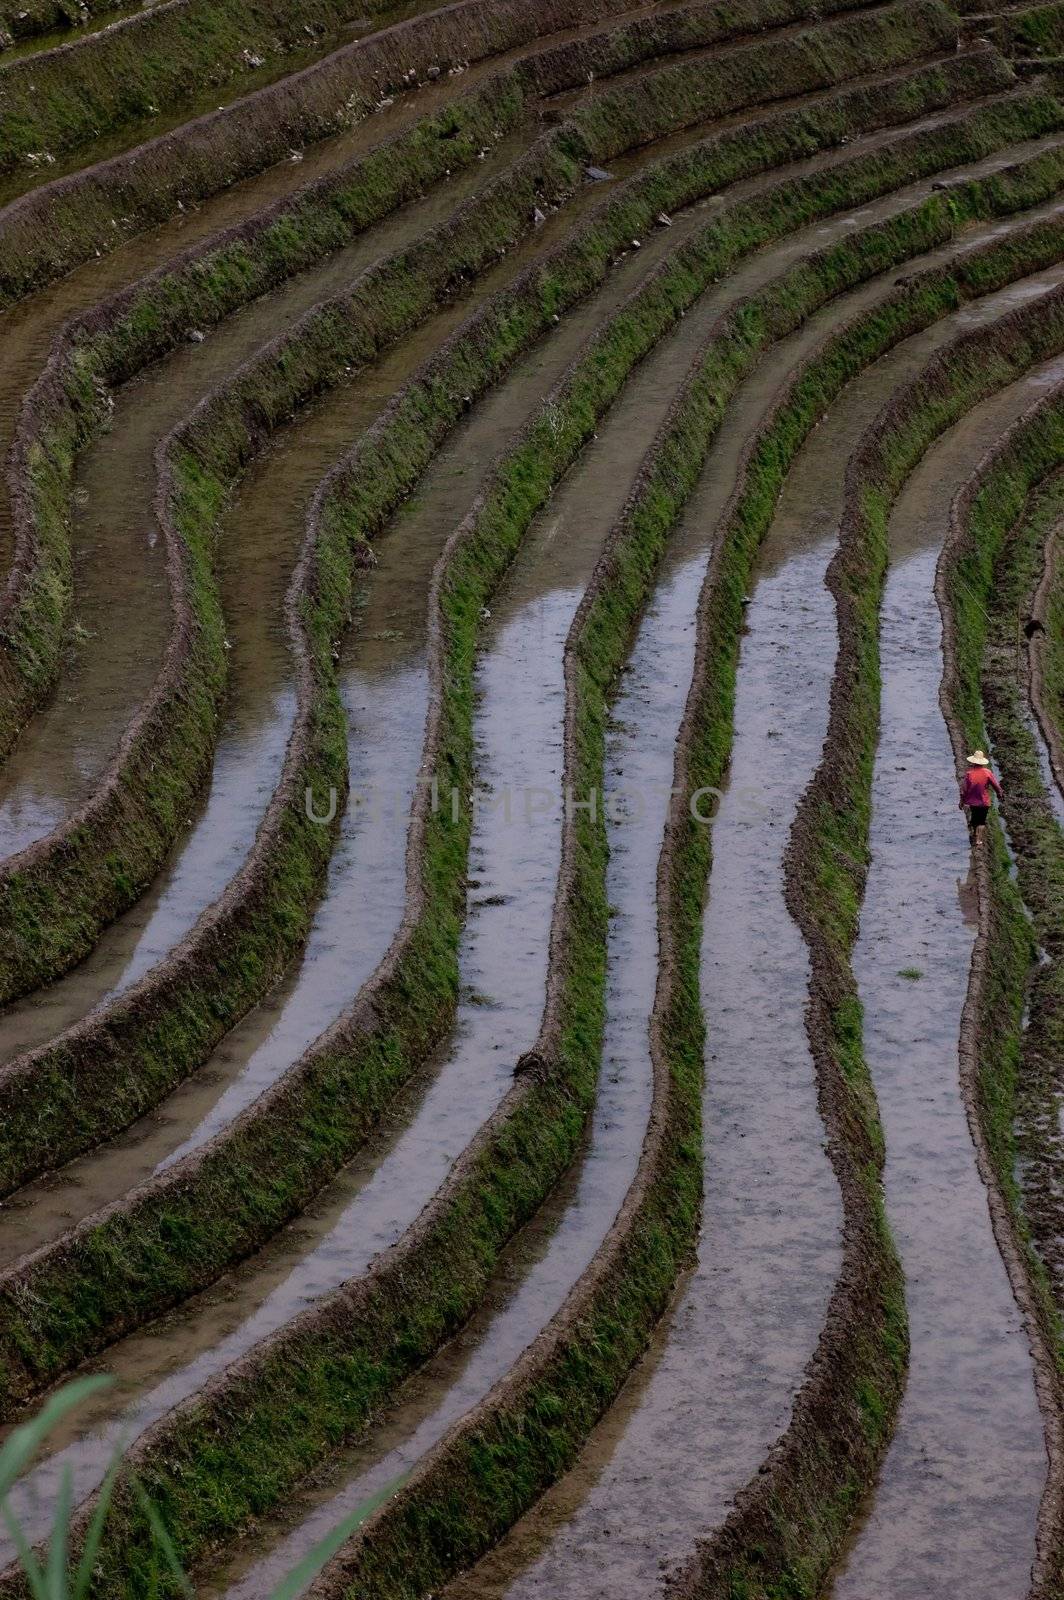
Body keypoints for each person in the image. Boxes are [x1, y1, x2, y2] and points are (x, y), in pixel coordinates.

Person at [959, 748, 1002, 843]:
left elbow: (963, 790)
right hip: (984, 801)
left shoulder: (969, 774)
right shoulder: (987, 773)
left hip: (972, 801)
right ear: (982, 762)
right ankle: (978, 839)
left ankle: (975, 833)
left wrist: (961, 801)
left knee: (975, 818)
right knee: (981, 821)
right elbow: (995, 785)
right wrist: (999, 793)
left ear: (973, 762)